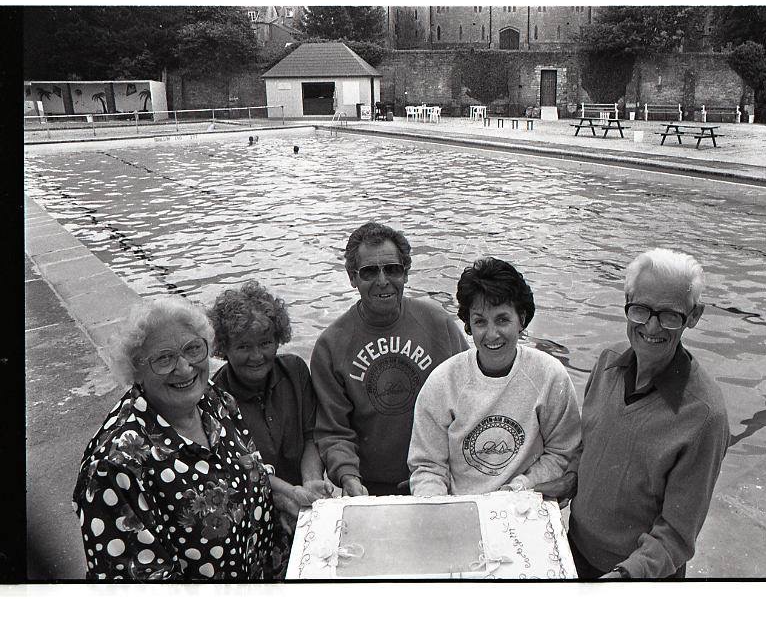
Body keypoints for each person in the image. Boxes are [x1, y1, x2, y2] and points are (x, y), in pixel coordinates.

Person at [536, 247, 730, 579]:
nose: (652, 327)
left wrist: (623, 578)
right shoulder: (607, 363)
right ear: (627, 302)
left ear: (694, 316)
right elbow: (592, 448)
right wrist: (568, 482)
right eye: (640, 310)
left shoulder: (704, 416)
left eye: (670, 315)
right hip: (574, 549)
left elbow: (675, 536)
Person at [72, 296, 276, 580]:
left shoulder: (216, 401)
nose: (184, 368)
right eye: (164, 358)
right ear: (136, 370)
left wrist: (284, 495)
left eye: (193, 349)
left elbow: (247, 477)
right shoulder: (113, 466)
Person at [311, 221, 469, 497]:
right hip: (370, 488)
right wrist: (348, 476)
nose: (383, 281)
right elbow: (334, 431)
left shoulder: (440, 326)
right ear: (352, 277)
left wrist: (441, 476)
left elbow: (471, 404)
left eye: (393, 269)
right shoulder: (331, 345)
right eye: (369, 272)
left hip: (441, 480)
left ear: (405, 274)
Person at [407, 257, 581, 496]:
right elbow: (428, 467)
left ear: (521, 318)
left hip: (524, 501)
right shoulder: (442, 382)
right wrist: (439, 506)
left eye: (502, 319)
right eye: (480, 321)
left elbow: (562, 453)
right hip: (460, 507)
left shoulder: (550, 375)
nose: (492, 334)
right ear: (468, 325)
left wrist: (519, 488)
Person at [207, 280, 332, 571]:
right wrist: (288, 493)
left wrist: (310, 480)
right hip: (253, 517)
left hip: (302, 500)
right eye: (243, 346)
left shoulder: (296, 371)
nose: (257, 356)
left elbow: (311, 436)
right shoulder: (214, 398)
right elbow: (241, 465)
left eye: (265, 343)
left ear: (279, 338)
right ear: (224, 348)